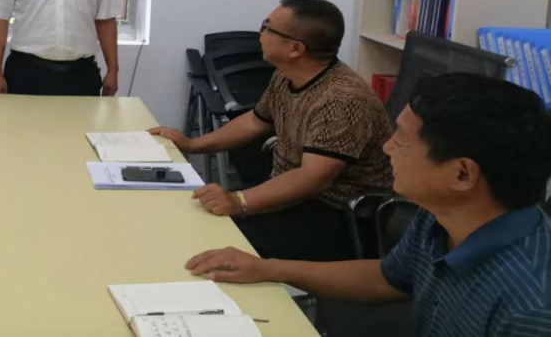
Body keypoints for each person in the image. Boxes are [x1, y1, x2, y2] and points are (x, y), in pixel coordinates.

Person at [185, 74, 551, 337]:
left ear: (462, 174)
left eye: (402, 139)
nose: (387, 147)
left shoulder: (530, 308)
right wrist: (268, 268)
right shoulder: (442, 217)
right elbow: (388, 277)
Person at [149, 0, 394, 261]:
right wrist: (193, 144)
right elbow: (255, 121)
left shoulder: (342, 99)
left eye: (267, 27)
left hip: (337, 216)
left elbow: (313, 178)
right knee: (191, 217)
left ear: (295, 49)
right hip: (291, 195)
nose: (260, 33)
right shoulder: (286, 74)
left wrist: (240, 202)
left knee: (207, 241)